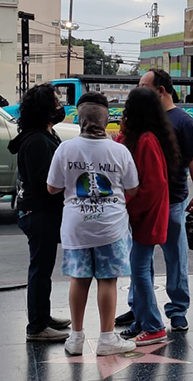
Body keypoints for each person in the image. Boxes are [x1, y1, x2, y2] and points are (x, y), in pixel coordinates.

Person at [46, 92, 139, 357]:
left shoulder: (65, 148)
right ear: (106, 118)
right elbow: (133, 187)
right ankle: (107, 338)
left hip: (76, 227)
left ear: (80, 118)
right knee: (107, 280)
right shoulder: (119, 150)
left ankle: (76, 338)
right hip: (111, 227)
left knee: (79, 278)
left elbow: (52, 187)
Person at [116, 69, 193, 334]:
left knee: (174, 258)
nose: (139, 89)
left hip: (173, 201)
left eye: (143, 85)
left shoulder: (183, 122)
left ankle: (177, 310)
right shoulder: (145, 122)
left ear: (160, 90)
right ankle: (139, 308)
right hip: (143, 201)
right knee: (140, 260)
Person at [9, 84, 73, 342]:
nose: (60, 107)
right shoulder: (36, 140)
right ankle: (36, 326)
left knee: (43, 268)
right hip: (39, 212)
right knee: (40, 268)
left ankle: (43, 316)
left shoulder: (42, 134)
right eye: (56, 103)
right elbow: (45, 183)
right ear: (44, 110)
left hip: (39, 211)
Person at [118, 87, 181, 345]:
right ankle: (142, 321)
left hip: (148, 216)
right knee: (140, 268)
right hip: (145, 215)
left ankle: (153, 325)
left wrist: (129, 209)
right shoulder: (145, 137)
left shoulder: (146, 141)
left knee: (140, 269)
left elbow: (152, 186)